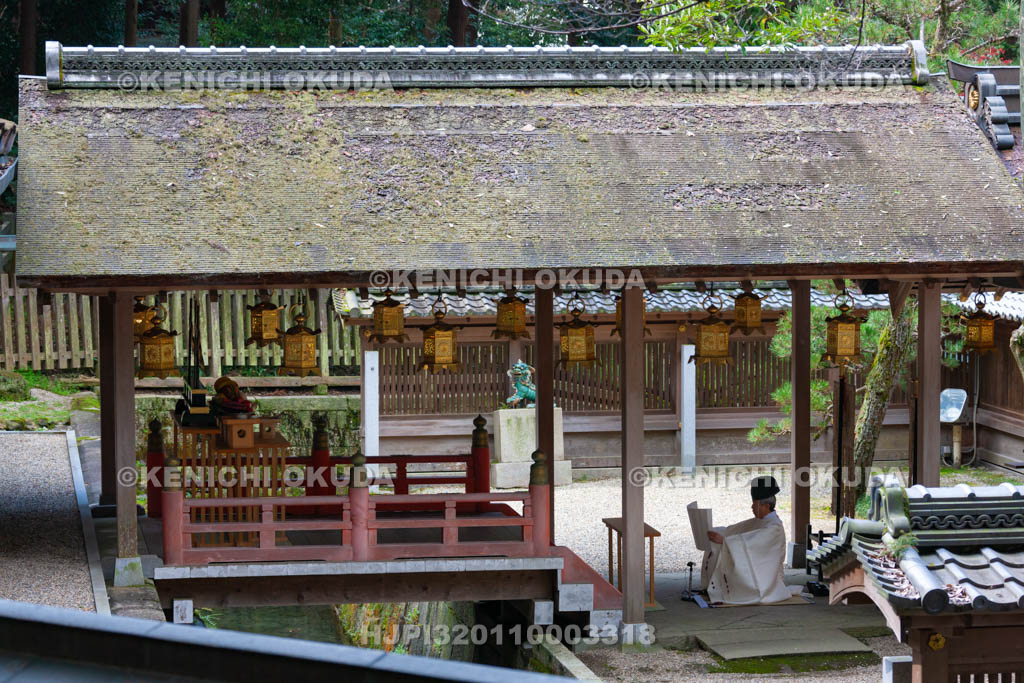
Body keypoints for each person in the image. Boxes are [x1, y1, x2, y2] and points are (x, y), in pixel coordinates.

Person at [699, 475, 790, 605]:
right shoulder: (761, 521)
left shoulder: (774, 527)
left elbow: (751, 544)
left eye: (755, 504)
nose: (752, 508)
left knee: (723, 546)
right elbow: (735, 530)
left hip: (765, 578)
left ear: (765, 505)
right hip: (760, 570)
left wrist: (725, 541)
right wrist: (718, 532)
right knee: (718, 544)